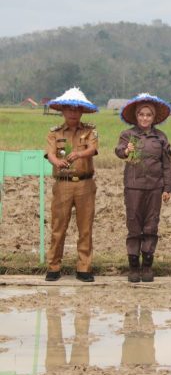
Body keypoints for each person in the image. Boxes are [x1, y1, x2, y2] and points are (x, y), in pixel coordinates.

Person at [115, 94, 171, 283]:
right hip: (133, 187)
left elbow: (166, 164)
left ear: (153, 118)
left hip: (155, 188)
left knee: (151, 225)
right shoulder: (128, 135)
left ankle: (147, 266)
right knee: (134, 225)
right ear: (136, 116)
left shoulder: (161, 137)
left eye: (148, 115)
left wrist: (168, 188)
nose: (145, 118)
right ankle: (133, 267)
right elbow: (119, 151)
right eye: (141, 114)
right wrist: (126, 151)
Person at [44, 87, 99, 282]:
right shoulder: (54, 133)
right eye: (69, 109)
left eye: (77, 109)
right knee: (58, 227)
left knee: (85, 228)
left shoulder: (90, 131)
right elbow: (50, 152)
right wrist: (55, 161)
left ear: (82, 111)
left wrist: (79, 154)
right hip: (63, 184)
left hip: (85, 184)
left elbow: (93, 149)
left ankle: (84, 268)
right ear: (63, 111)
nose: (73, 113)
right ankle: (53, 267)